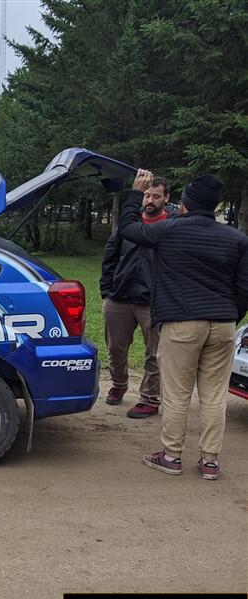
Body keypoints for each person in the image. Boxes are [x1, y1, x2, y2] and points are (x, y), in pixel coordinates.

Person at [119, 170, 248, 479]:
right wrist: (231, 314)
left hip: (181, 322)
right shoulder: (237, 238)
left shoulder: (169, 230)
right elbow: (244, 287)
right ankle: (210, 461)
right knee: (214, 395)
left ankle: (172, 456)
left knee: (177, 393)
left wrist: (136, 194)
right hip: (223, 323)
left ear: (187, 204)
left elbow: (128, 229)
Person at [100, 176, 173, 418]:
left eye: (156, 196)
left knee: (155, 353)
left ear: (166, 198)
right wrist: (106, 292)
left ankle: (150, 399)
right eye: (146, 195)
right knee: (115, 348)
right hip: (119, 297)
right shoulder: (129, 223)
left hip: (153, 302)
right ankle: (119, 384)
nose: (150, 200)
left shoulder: (172, 226)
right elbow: (110, 258)